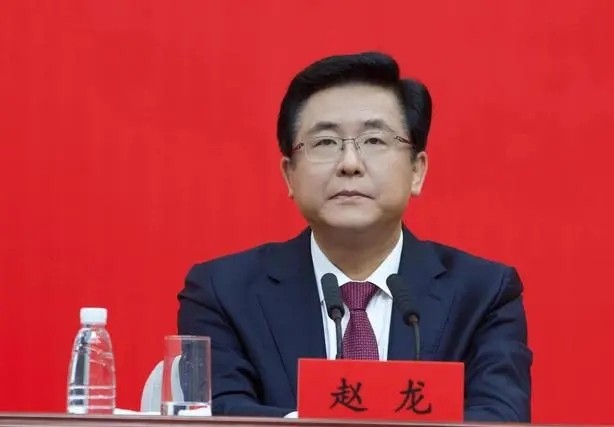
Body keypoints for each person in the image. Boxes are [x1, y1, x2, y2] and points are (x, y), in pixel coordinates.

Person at [177, 51, 532, 422]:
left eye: (374, 140)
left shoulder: (483, 294)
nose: (349, 163)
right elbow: (219, 415)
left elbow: (499, 418)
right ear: (289, 175)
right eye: (325, 143)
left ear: (416, 171)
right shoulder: (223, 293)